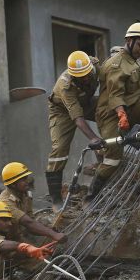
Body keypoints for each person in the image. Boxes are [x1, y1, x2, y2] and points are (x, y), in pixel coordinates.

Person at [90, 22, 140, 198]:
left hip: (130, 106)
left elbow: (129, 81)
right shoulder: (117, 63)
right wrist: (121, 115)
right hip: (111, 115)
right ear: (129, 40)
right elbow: (115, 95)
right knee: (113, 160)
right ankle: (91, 195)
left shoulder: (132, 60)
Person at [45, 51, 104, 210]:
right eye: (81, 77)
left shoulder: (95, 66)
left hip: (87, 102)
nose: (85, 78)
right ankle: (56, 199)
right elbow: (78, 118)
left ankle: (104, 161)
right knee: (60, 150)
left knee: (108, 110)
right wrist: (93, 138)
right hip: (62, 111)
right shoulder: (66, 86)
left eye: (87, 74)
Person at [0, 162, 66, 244]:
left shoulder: (26, 194)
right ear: (13, 185)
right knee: (36, 253)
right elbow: (28, 223)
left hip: (17, 236)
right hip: (1, 242)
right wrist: (54, 235)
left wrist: (49, 229)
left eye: (26, 178)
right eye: (23, 179)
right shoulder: (5, 202)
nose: (27, 182)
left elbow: (30, 221)